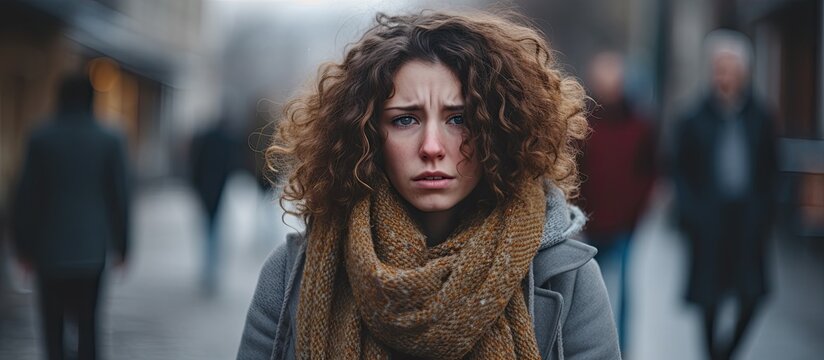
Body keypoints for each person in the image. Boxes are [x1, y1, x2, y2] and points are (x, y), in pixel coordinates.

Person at [238, 10, 621, 360]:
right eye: (405, 120)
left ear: (500, 131)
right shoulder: (294, 272)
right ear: (368, 136)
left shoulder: (566, 277)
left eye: (459, 119)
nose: (432, 147)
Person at [672, 30, 777, 360]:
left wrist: (766, 212)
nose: (724, 75)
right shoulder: (693, 117)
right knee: (709, 298)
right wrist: (690, 212)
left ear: (744, 71)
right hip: (709, 219)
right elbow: (678, 169)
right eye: (718, 67)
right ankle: (711, 354)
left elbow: (773, 169)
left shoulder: (761, 117)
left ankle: (724, 354)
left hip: (748, 220)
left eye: (730, 67)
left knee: (752, 296)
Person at [12, 74, 130, 360]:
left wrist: (23, 248)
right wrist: (123, 245)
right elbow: (120, 197)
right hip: (91, 251)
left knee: (52, 328)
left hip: (48, 250)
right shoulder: (110, 139)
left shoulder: (40, 137)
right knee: (89, 326)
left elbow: (26, 197)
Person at [578, 51, 656, 352]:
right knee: (585, 295)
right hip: (588, 225)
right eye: (602, 78)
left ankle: (621, 351)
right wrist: (577, 210)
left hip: (624, 224)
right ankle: (586, 349)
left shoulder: (640, 125)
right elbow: (572, 169)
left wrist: (637, 209)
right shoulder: (582, 123)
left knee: (623, 294)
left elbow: (650, 171)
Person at [190, 118, 241, 296]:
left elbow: (195, 165)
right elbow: (231, 165)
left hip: (205, 190)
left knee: (208, 231)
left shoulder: (206, 139)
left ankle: (207, 270)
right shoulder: (226, 141)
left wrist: (195, 186)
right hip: (218, 190)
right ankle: (211, 271)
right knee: (214, 232)